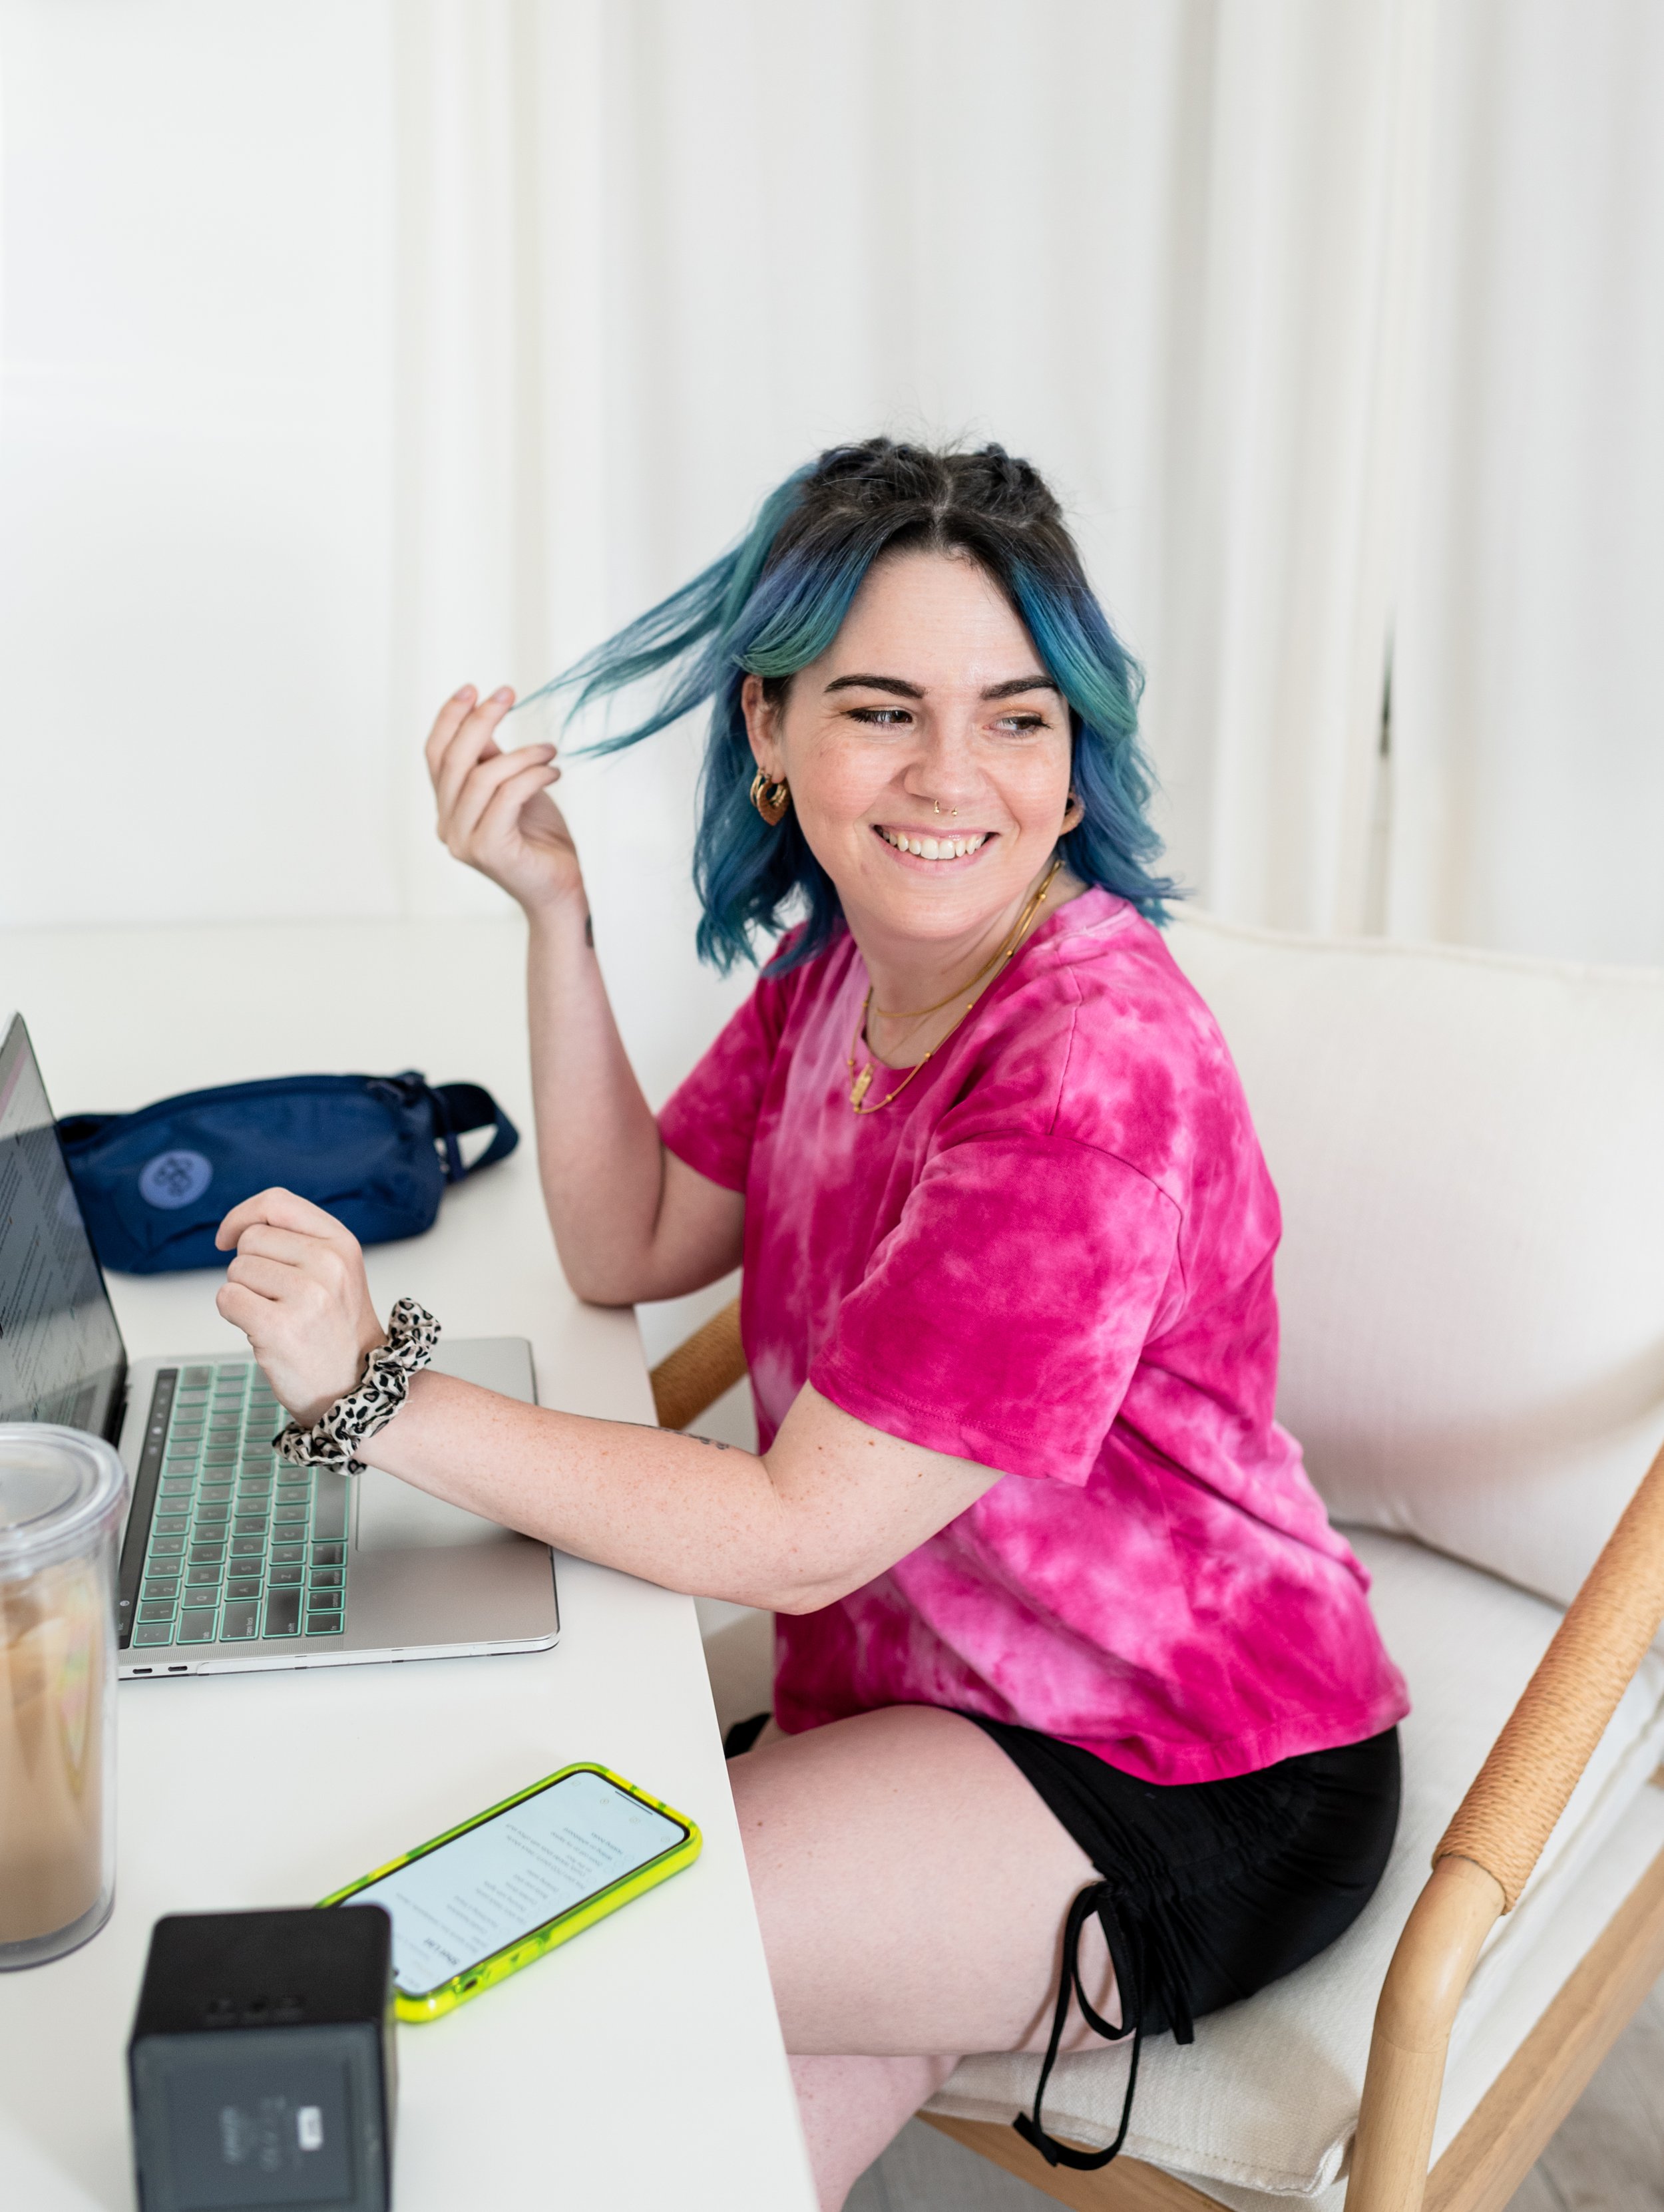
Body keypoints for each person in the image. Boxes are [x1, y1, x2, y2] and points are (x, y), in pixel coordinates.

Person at [214, 440, 1409, 2211]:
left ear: (1076, 761)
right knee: (655, 2148)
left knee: (568, 1949)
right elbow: (625, 1236)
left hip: (1183, 1764)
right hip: (918, 1688)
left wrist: (374, 1393)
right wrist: (554, 906)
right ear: (770, 733)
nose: (951, 776)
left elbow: (797, 1535)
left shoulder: (1087, 1079)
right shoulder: (842, 971)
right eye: (881, 709)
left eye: (1016, 717)